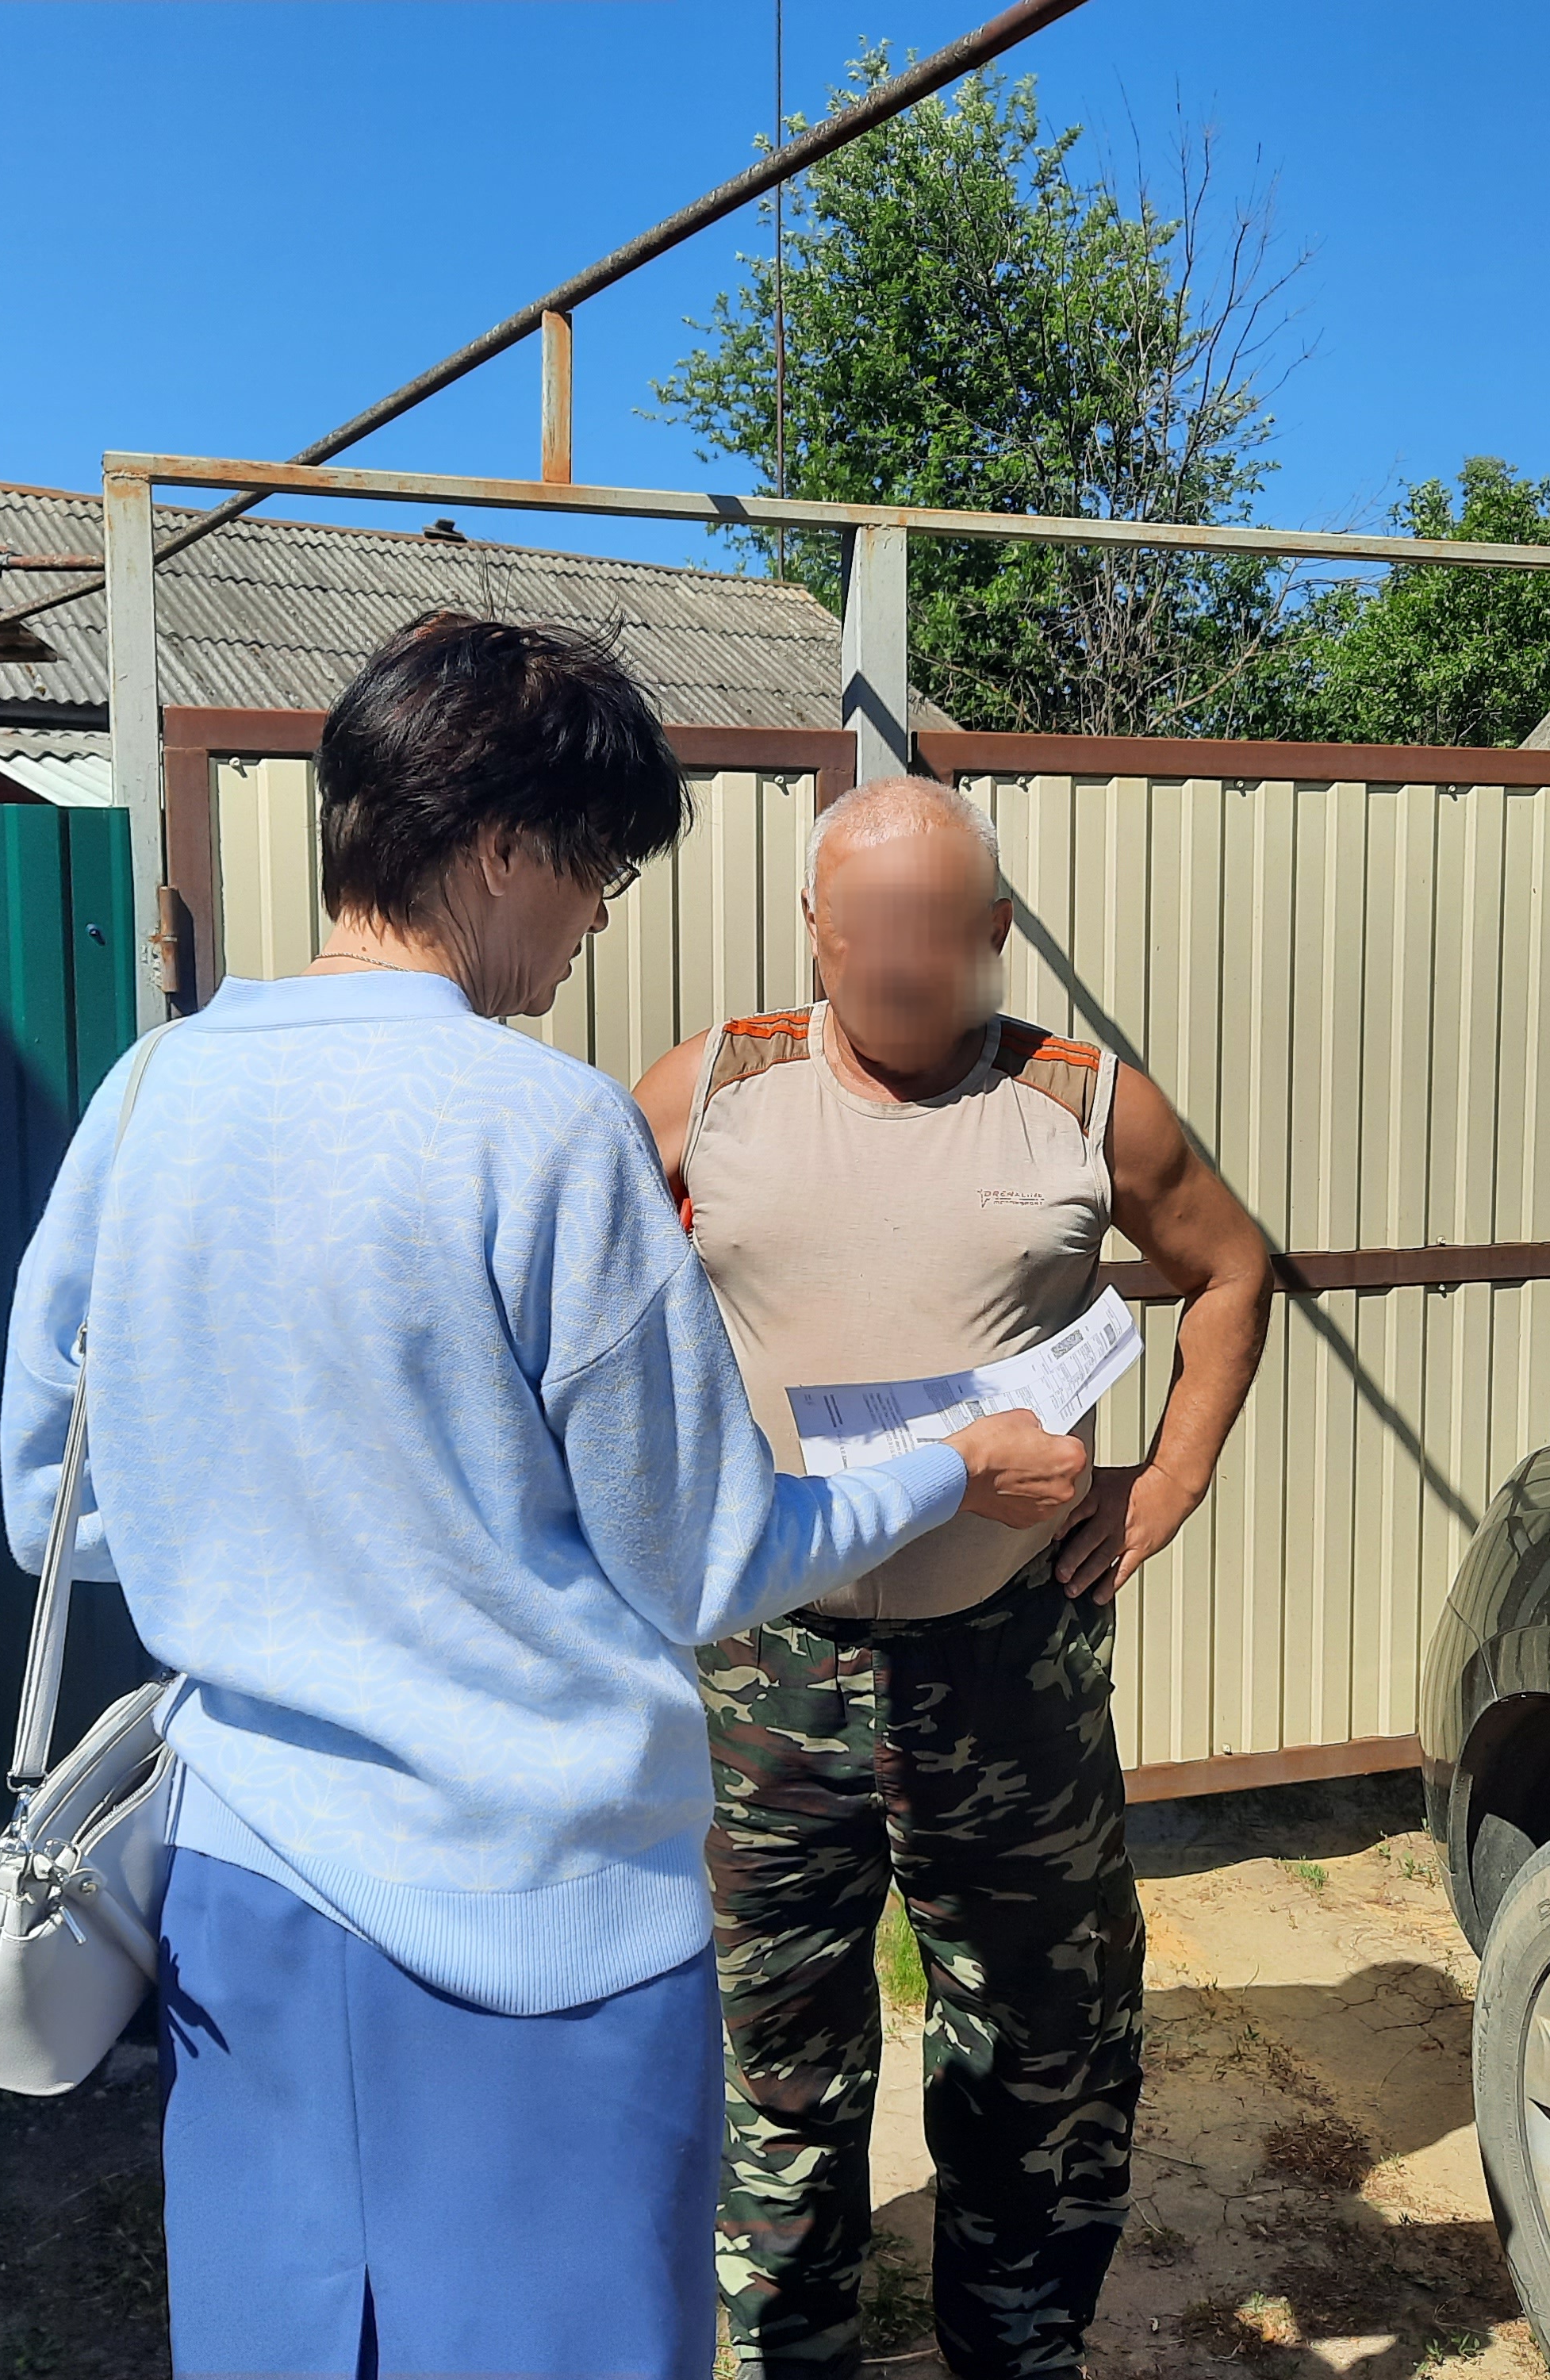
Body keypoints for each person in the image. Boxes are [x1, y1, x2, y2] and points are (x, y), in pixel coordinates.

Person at [0, 623, 1090, 2380]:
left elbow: (49, 1499)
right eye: (590, 869)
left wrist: (296, 1572)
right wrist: (954, 1465)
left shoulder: (146, 1097)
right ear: (499, 845)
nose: (594, 918)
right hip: (538, 1917)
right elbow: (708, 1555)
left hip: (241, 1881)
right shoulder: (542, 1128)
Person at [632, 776, 1274, 2379]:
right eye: (866, 944)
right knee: (772, 2040)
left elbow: (1228, 1267)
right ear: (815, 934)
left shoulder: (1075, 1102)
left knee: (1036, 2042)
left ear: (991, 937)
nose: (898, 976)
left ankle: (1014, 2345)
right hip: (763, 1666)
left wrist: (1170, 1474)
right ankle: (794, 2351)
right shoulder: (713, 1085)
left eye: (936, 945)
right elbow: (573, 1291)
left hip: (1004, 1661)